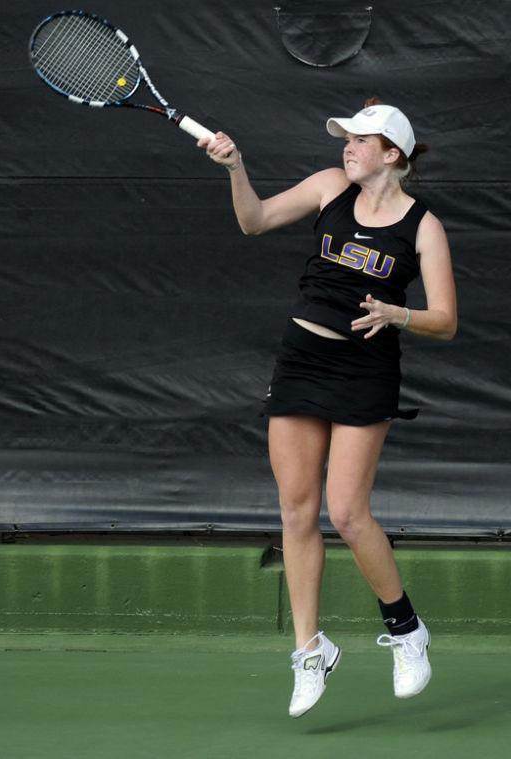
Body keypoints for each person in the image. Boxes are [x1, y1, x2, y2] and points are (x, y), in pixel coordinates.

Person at [198, 99, 457, 718]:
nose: (347, 146)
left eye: (360, 140)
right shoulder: (326, 188)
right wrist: (235, 168)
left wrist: (400, 314)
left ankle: (405, 630)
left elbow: (445, 320)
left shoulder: (423, 226)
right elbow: (254, 221)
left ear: (391, 154)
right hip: (301, 360)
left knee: (345, 511)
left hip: (365, 368)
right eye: (345, 138)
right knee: (295, 510)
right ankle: (310, 650)